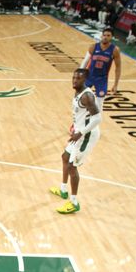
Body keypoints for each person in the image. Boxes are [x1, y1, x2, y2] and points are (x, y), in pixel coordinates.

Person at [49, 68, 102, 214]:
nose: (74, 81)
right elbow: (82, 115)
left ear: (84, 80)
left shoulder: (87, 97)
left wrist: (81, 132)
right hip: (78, 133)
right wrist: (75, 126)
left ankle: (74, 202)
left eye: (78, 79)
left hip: (87, 135)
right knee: (65, 157)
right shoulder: (78, 92)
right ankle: (63, 190)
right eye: (73, 78)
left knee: (72, 167)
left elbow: (98, 118)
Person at [79, 27, 121, 113]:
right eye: (104, 35)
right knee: (82, 99)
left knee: (99, 104)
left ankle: (95, 124)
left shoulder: (115, 50)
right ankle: (79, 121)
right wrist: (79, 76)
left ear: (111, 37)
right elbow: (85, 62)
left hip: (102, 79)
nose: (105, 37)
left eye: (108, 35)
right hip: (89, 76)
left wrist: (116, 84)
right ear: (101, 36)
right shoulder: (93, 47)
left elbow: (118, 67)